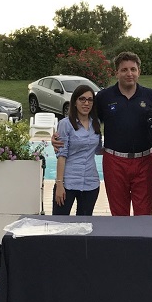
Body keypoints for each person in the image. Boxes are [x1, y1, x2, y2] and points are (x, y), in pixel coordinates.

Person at [95, 51, 152, 216]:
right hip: (114, 162)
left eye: (133, 69)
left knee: (144, 215)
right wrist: (62, 136)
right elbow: (88, 123)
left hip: (144, 161)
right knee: (119, 215)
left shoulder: (150, 95)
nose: (129, 73)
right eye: (124, 70)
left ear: (139, 72)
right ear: (116, 73)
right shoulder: (104, 97)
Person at [53, 85, 102, 216]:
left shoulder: (95, 123)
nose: (86, 103)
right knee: (59, 223)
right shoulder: (65, 124)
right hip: (68, 182)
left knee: (84, 224)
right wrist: (59, 184)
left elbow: (99, 150)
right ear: (74, 102)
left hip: (90, 183)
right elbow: (61, 155)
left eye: (90, 100)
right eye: (82, 99)